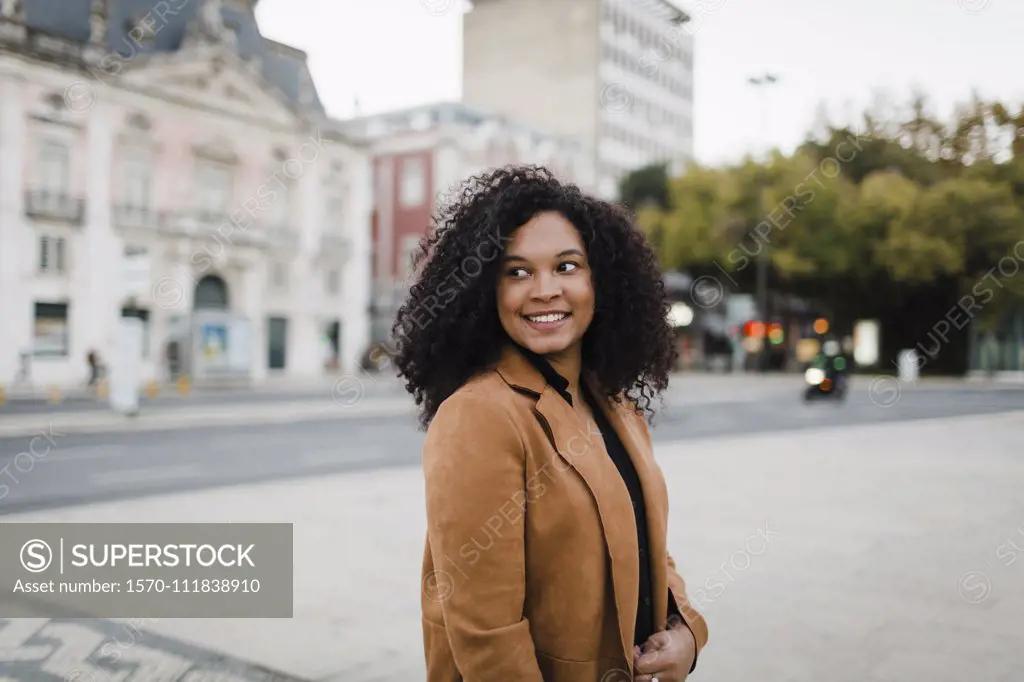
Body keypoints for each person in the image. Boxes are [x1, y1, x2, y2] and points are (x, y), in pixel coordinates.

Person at [392, 166, 709, 681]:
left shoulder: (614, 403)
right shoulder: (480, 415)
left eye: (566, 267)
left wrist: (686, 632)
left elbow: (644, 538)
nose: (544, 290)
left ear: (599, 280)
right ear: (484, 291)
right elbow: (486, 636)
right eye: (516, 272)